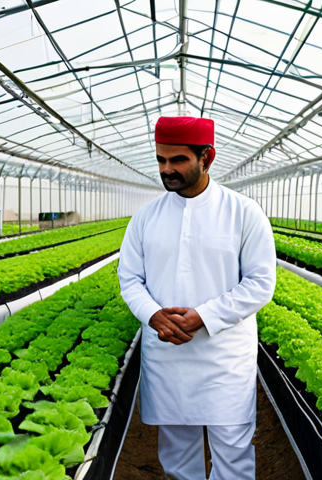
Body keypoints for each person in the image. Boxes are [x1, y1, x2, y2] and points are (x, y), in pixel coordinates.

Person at [118, 116, 276, 480]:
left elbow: (260, 283)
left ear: (207, 157)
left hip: (225, 357)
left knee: (233, 455)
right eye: (161, 160)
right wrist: (154, 315)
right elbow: (130, 279)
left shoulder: (244, 213)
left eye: (178, 160)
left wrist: (203, 316)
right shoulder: (145, 218)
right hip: (167, 355)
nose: (167, 169)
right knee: (176, 457)